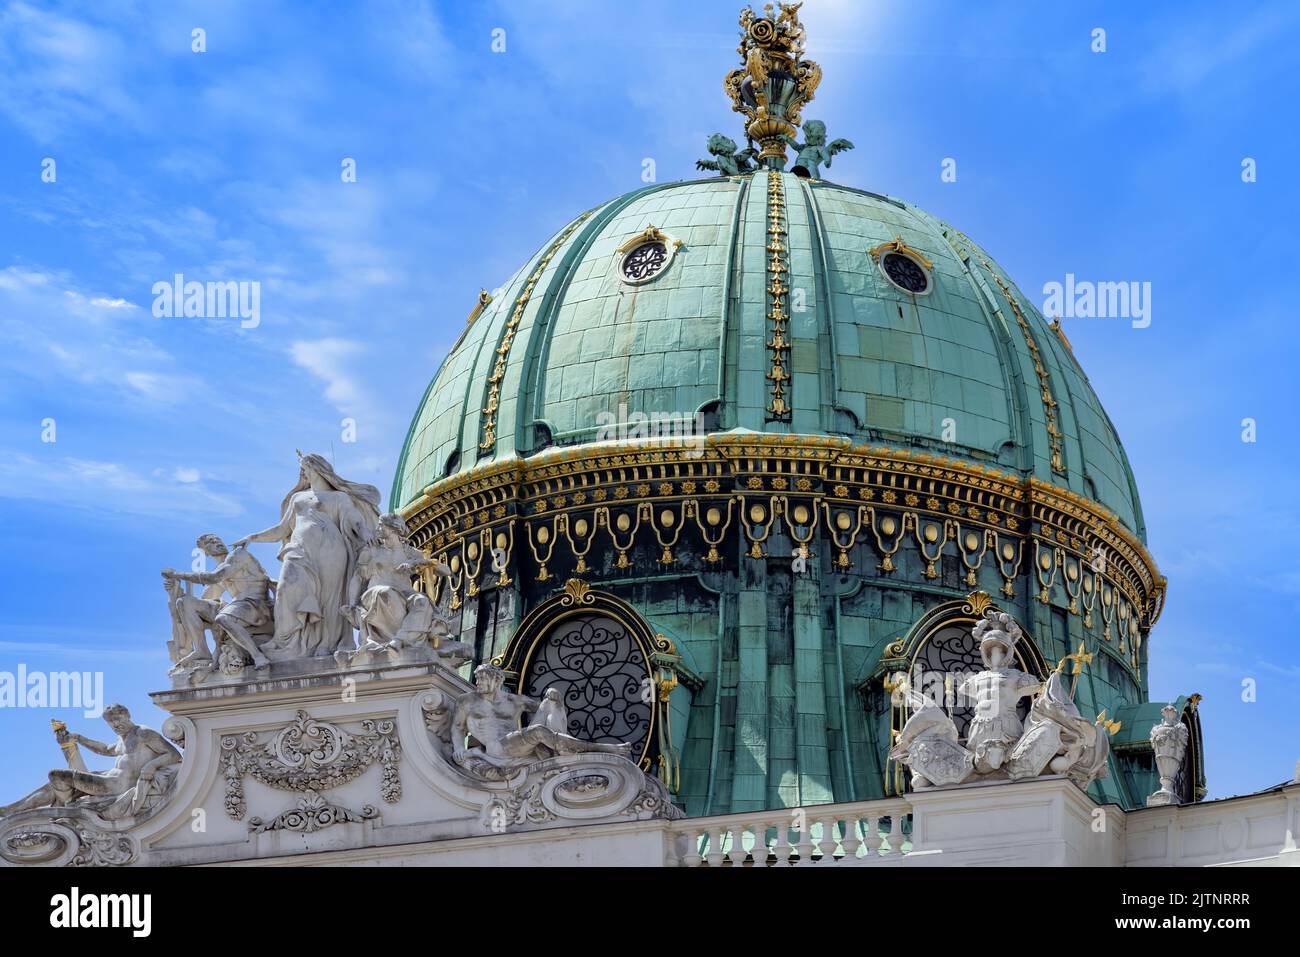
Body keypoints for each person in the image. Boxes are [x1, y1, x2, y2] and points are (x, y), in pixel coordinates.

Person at [233, 452, 380, 657]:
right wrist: (252, 537)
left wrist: (366, 534)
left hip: (331, 552)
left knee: (330, 599)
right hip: (299, 550)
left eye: (305, 468)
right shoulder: (298, 498)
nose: (302, 473)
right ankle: (284, 641)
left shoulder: (339, 497)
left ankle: (326, 646)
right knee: (286, 588)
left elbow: (355, 520)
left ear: (317, 469)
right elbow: (282, 529)